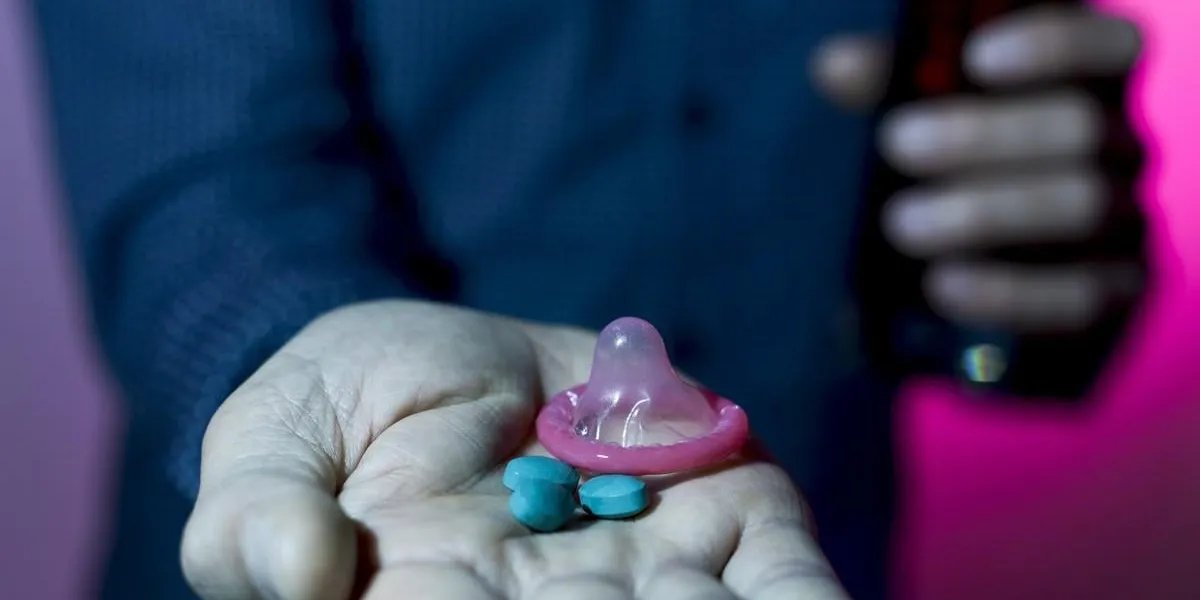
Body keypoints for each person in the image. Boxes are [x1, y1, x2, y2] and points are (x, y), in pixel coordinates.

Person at [32, 2, 1144, 599]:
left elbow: (967, 209)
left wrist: (1022, 274)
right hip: (365, 552)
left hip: (795, 549)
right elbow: (196, 181)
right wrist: (313, 380)